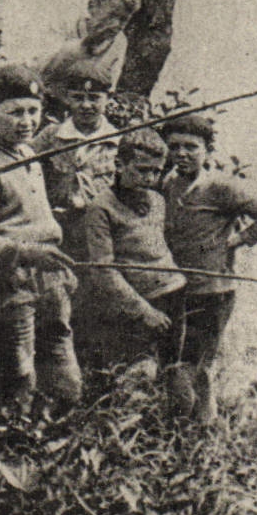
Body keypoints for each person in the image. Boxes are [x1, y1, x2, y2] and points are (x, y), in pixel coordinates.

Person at [161, 113, 257, 421]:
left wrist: (237, 240)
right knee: (175, 363)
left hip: (213, 291)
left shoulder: (221, 186)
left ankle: (205, 430)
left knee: (200, 366)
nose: (182, 154)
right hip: (177, 288)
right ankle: (177, 426)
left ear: (208, 150)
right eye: (175, 147)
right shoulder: (169, 183)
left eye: (191, 147)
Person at [0, 65, 80, 412]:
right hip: (12, 283)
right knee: (20, 373)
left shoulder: (30, 155)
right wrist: (27, 254)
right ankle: (13, 441)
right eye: (15, 112)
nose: (27, 121)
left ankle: (56, 440)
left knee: (63, 368)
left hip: (50, 279)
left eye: (33, 111)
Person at [68, 126, 184, 383]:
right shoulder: (101, 207)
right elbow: (103, 269)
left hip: (173, 294)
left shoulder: (157, 200)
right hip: (133, 304)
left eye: (156, 171)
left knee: (172, 371)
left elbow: (158, 247)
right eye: (142, 170)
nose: (150, 178)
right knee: (132, 376)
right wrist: (143, 311)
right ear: (119, 165)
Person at [31, 59, 119, 224]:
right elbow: (21, 163)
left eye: (94, 98)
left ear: (108, 98)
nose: (86, 105)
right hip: (54, 222)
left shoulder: (118, 141)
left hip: (100, 226)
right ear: (66, 98)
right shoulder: (51, 135)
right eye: (78, 98)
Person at [40, 0, 141, 113]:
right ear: (92, 6)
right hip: (49, 104)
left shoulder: (119, 42)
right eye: (112, 15)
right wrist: (86, 44)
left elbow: (109, 85)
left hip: (87, 111)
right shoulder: (66, 26)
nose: (116, 25)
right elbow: (43, 70)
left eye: (123, 20)